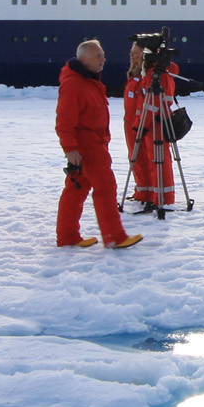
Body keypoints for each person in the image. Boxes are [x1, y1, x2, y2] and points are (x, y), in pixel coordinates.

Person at [56, 39, 142, 250]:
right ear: (84, 59)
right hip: (87, 147)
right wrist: (70, 149)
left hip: (94, 144)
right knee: (105, 188)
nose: (103, 59)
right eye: (98, 56)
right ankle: (115, 237)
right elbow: (64, 121)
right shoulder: (74, 85)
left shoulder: (89, 82)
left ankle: (67, 236)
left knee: (76, 189)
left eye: (103, 55)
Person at [123, 40, 180, 211]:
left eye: (136, 52)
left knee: (157, 160)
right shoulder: (139, 73)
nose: (131, 55)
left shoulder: (155, 75)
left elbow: (153, 103)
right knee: (141, 160)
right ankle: (145, 193)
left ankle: (162, 198)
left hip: (151, 124)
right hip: (137, 123)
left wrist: (141, 123)